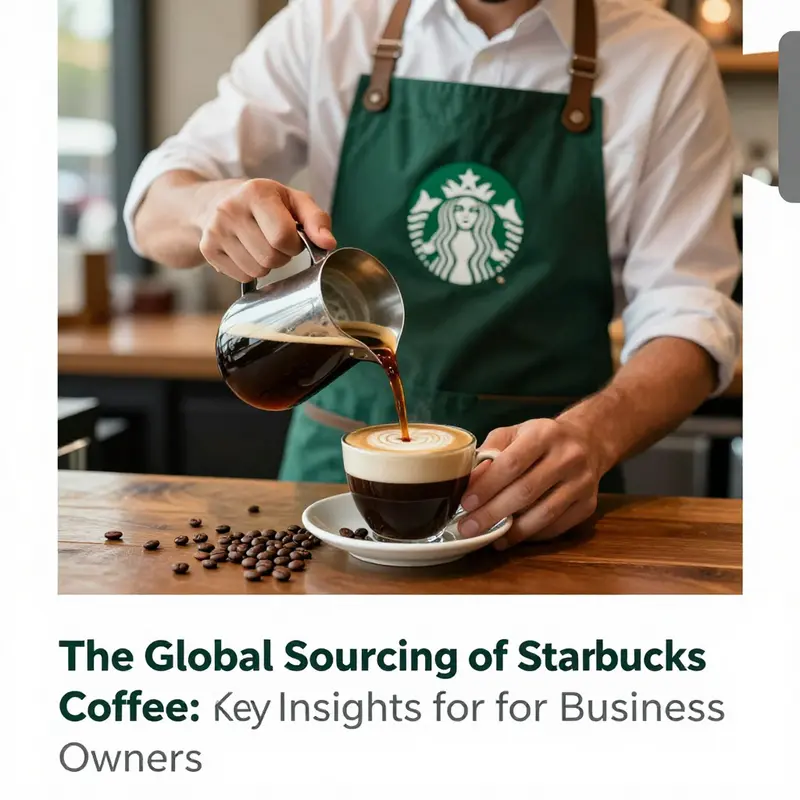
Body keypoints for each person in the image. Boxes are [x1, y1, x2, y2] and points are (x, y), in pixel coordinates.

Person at [125, 0, 742, 549]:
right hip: (334, 483)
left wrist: (595, 437)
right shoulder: (329, 23)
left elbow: (690, 311)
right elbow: (155, 208)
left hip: (540, 498)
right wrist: (208, 207)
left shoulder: (664, 60)